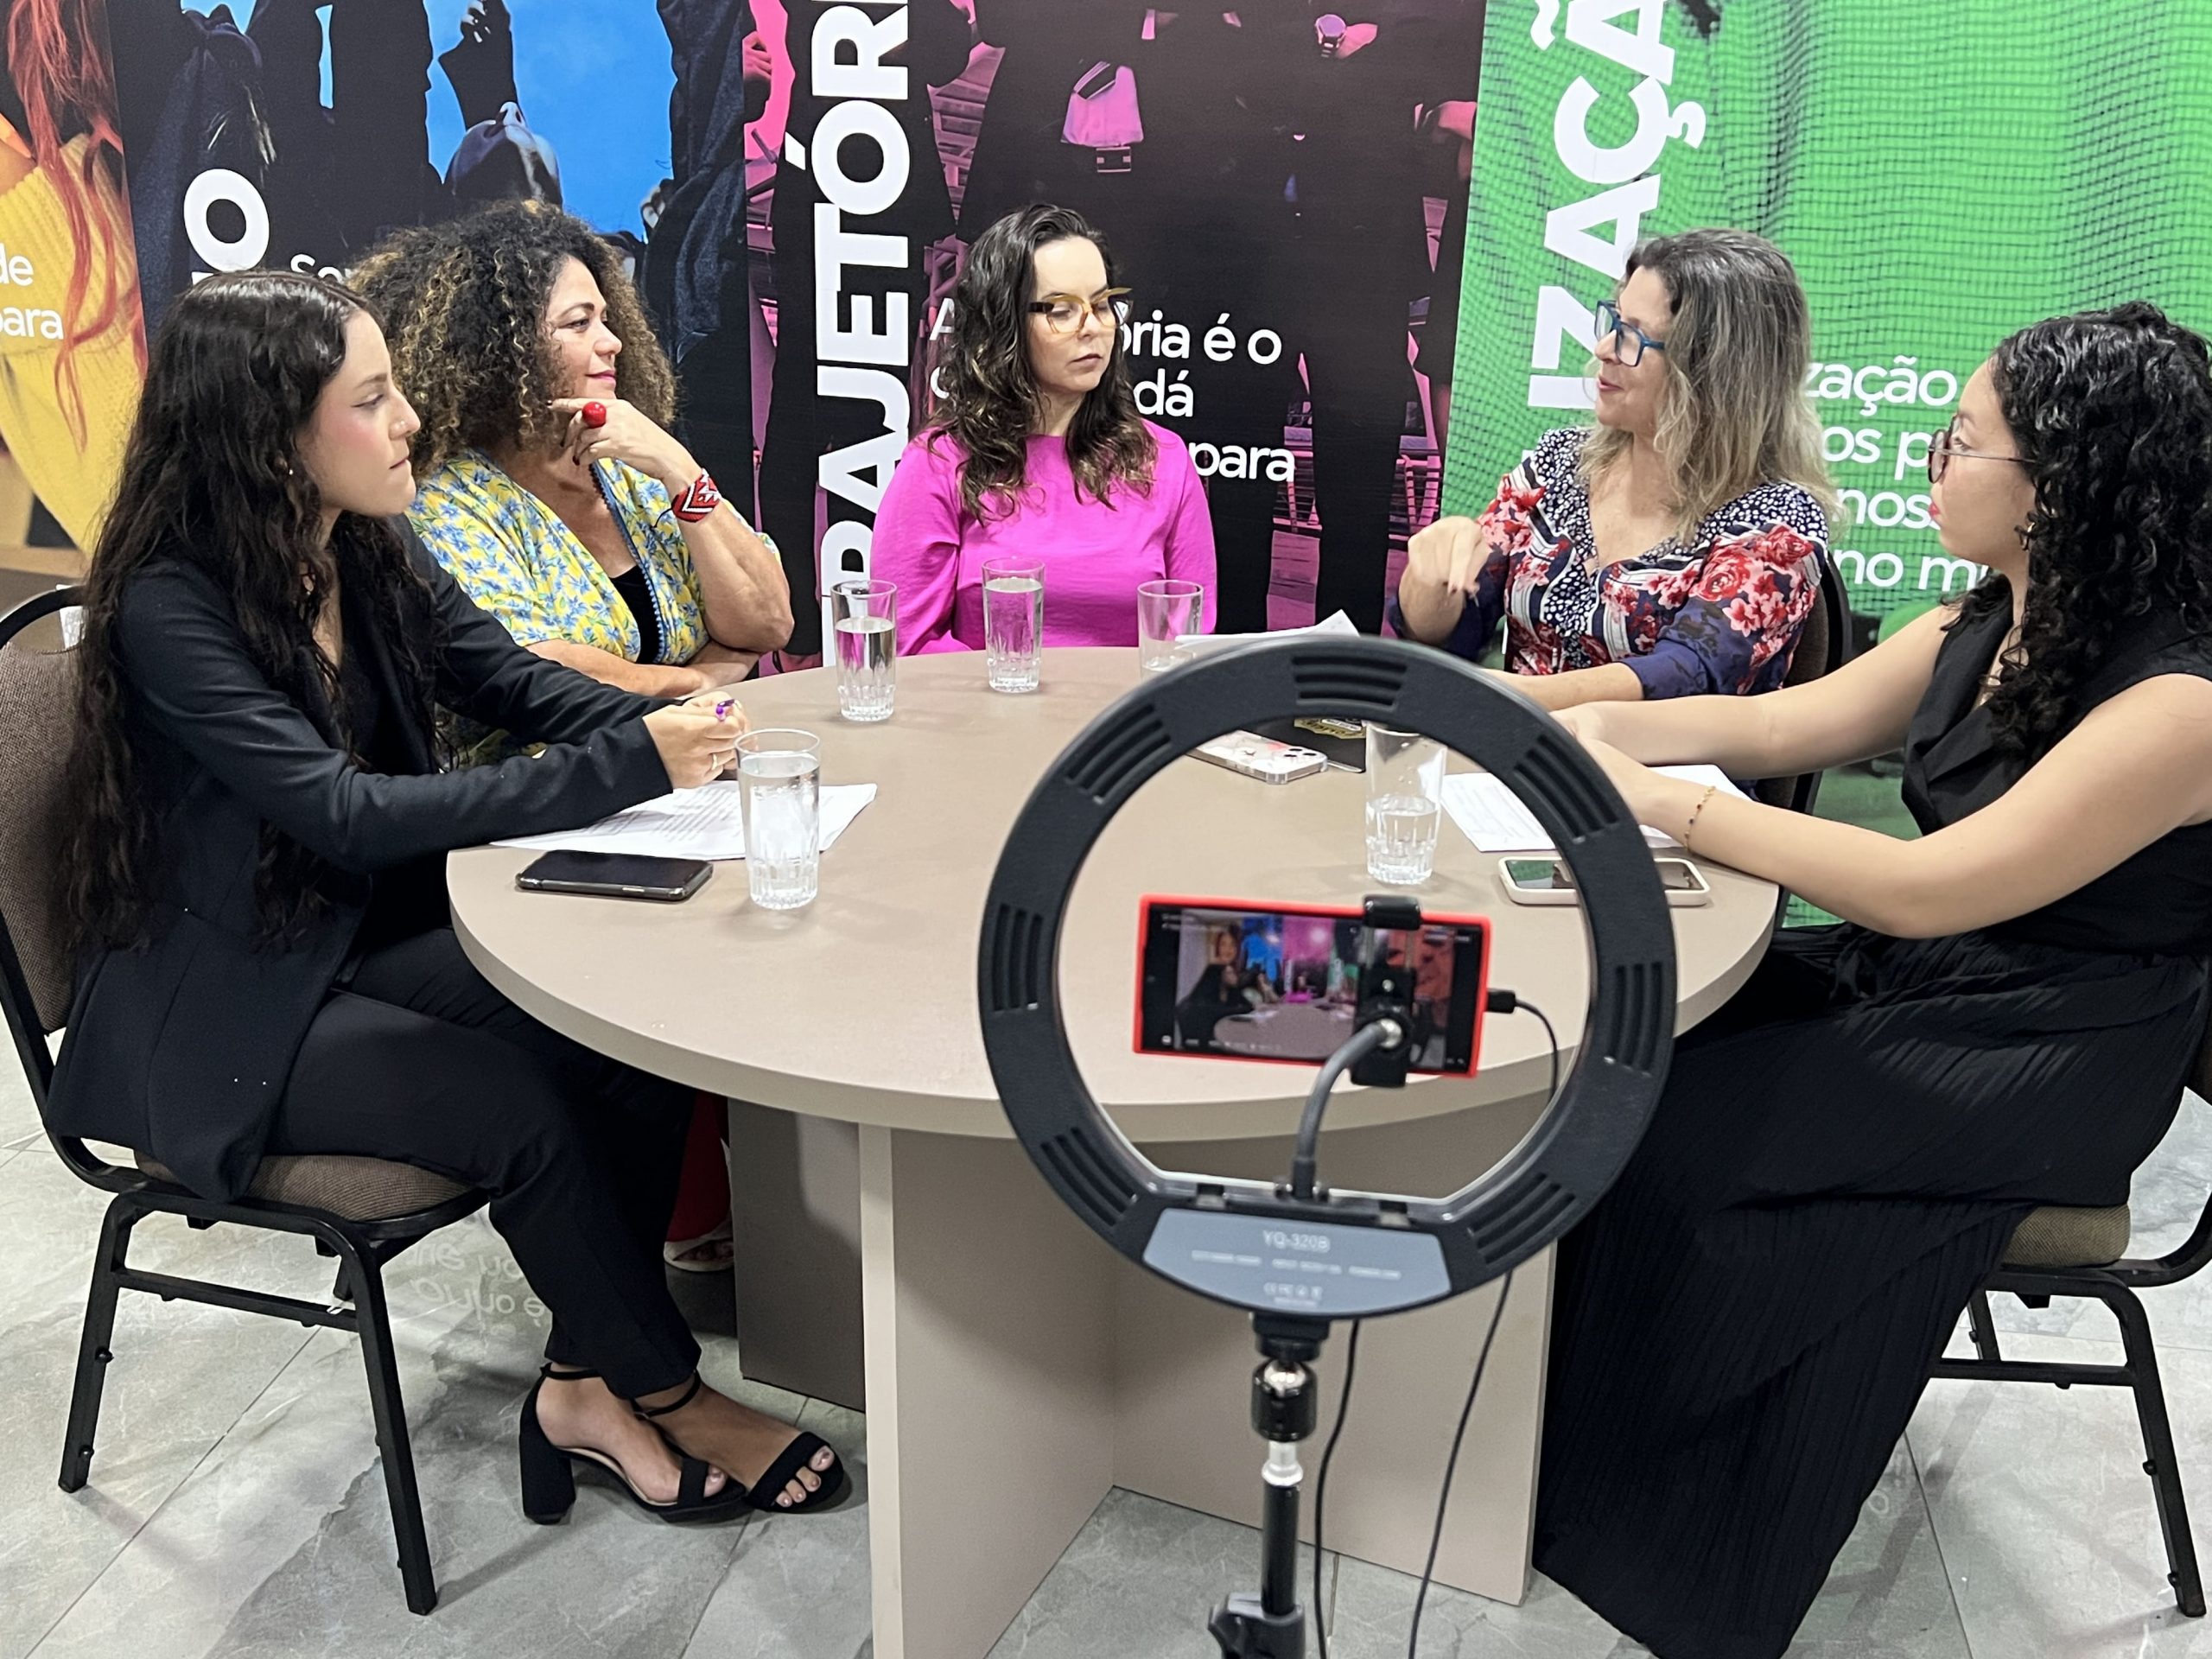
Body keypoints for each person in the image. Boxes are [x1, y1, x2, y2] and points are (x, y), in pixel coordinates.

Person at [46, 270, 843, 1526]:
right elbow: (344, 814)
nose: (410, 418)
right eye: (372, 399)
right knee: (518, 1102)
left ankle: (584, 1385)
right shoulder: (169, 604)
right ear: (272, 435)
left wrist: (686, 726)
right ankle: (672, 1393)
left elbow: (509, 681)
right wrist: (635, 761)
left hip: (349, 936)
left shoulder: (360, 542)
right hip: (224, 1004)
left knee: (628, 1025)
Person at [1533, 302, 2212, 1656]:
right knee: (1628, 1049)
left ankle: (1651, 1524)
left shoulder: (2179, 705)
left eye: (1963, 441)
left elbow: (1922, 886)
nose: (1932, 462)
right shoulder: (1991, 614)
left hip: (2055, 1044)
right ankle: (1552, 1444)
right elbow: (1775, 723)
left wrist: (1660, 804)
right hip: (1940, 979)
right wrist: (1537, 711)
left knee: (1668, 1139)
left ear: (2062, 486)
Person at [353, 202, 793, 753]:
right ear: (500, 348)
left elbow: (768, 624)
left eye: (606, 318)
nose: (612, 342)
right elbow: (540, 673)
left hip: (695, 770)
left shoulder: (634, 466)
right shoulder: (446, 499)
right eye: (579, 323)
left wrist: (679, 469)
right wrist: (702, 682)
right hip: (543, 788)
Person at [1393, 229, 1833, 713]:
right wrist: (1430, 583)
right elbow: (1450, 631)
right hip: (1509, 746)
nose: (1603, 348)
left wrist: (1503, 698)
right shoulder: (1558, 463)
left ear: (1711, 368)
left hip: (1654, 762)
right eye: (1615, 322)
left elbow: (1687, 675)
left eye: (1631, 336)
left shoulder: (1776, 520)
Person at [872, 203, 1217, 652]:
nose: (1093, 328)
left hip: (1133, 701)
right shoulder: (939, 461)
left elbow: (1190, 643)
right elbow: (909, 644)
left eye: (1102, 304)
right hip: (986, 699)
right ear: (1004, 323)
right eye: (1061, 310)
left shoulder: (1164, 458)